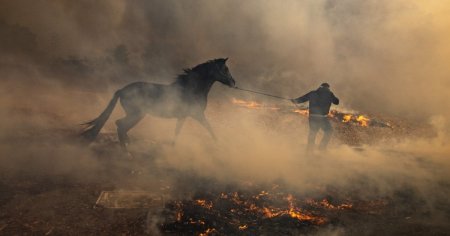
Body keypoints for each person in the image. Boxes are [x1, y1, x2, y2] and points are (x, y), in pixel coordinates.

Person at [291, 83, 339, 152]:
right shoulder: (329, 94)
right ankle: (322, 147)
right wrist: (332, 96)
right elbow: (336, 102)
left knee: (313, 133)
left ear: (319, 87)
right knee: (329, 131)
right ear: (328, 88)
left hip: (313, 117)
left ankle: (309, 151)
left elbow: (301, 100)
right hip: (322, 118)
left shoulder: (312, 93)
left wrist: (293, 100)